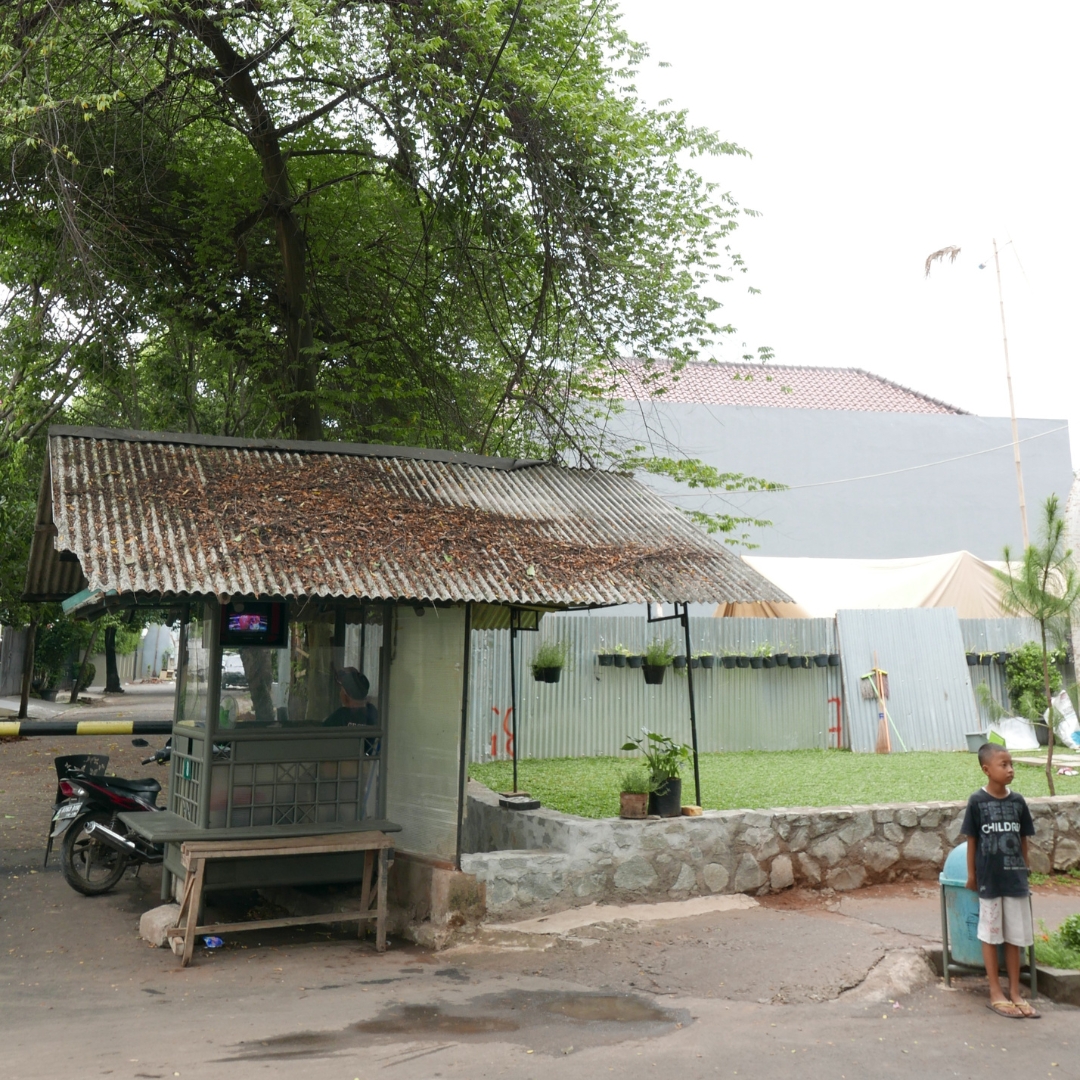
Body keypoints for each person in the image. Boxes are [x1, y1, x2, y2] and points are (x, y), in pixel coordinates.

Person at [960, 743, 1039, 1019]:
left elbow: (1023, 840)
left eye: (1011, 764)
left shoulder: (1018, 802)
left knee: (1015, 937)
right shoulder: (976, 801)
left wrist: (1025, 869)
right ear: (986, 769)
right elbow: (972, 841)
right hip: (989, 882)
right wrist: (972, 875)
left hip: (1015, 881)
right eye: (1003, 765)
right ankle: (995, 991)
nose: (1010, 769)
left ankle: (1015, 992)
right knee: (991, 935)